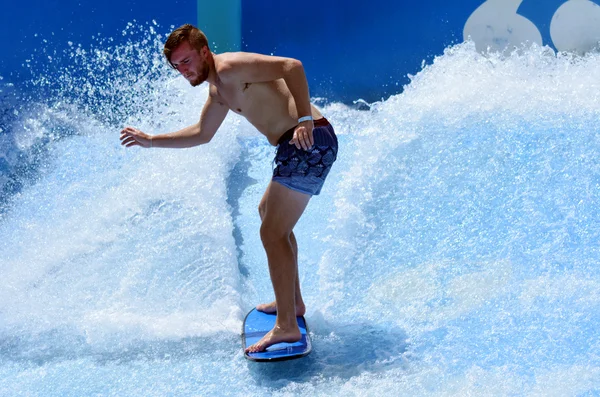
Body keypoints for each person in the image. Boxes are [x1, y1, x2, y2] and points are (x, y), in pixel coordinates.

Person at [120, 24, 338, 353]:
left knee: (272, 232)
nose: (183, 70)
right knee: (268, 213)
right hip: (293, 145)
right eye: (177, 65)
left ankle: (287, 327)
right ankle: (293, 305)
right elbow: (202, 133)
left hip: (308, 138)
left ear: (204, 52)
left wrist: (305, 119)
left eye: (187, 60)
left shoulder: (232, 67)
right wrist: (151, 141)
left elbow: (292, 66)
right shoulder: (218, 90)